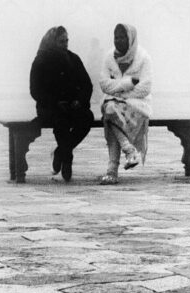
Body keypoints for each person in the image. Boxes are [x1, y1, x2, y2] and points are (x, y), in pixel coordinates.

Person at [27, 24, 94, 182]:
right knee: (61, 121)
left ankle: (60, 152)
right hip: (50, 107)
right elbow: (35, 90)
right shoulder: (41, 61)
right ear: (52, 42)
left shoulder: (73, 59)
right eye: (61, 41)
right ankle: (67, 158)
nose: (65, 44)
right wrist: (55, 102)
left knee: (86, 118)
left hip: (72, 106)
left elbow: (86, 84)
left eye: (66, 41)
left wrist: (79, 100)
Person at [93, 21, 153, 182]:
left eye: (122, 37)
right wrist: (127, 84)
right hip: (114, 104)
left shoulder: (143, 58)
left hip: (137, 106)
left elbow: (145, 88)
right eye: (116, 37)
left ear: (130, 39)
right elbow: (104, 84)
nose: (118, 41)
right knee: (111, 110)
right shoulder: (109, 57)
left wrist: (119, 93)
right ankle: (129, 152)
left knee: (110, 111)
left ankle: (112, 170)